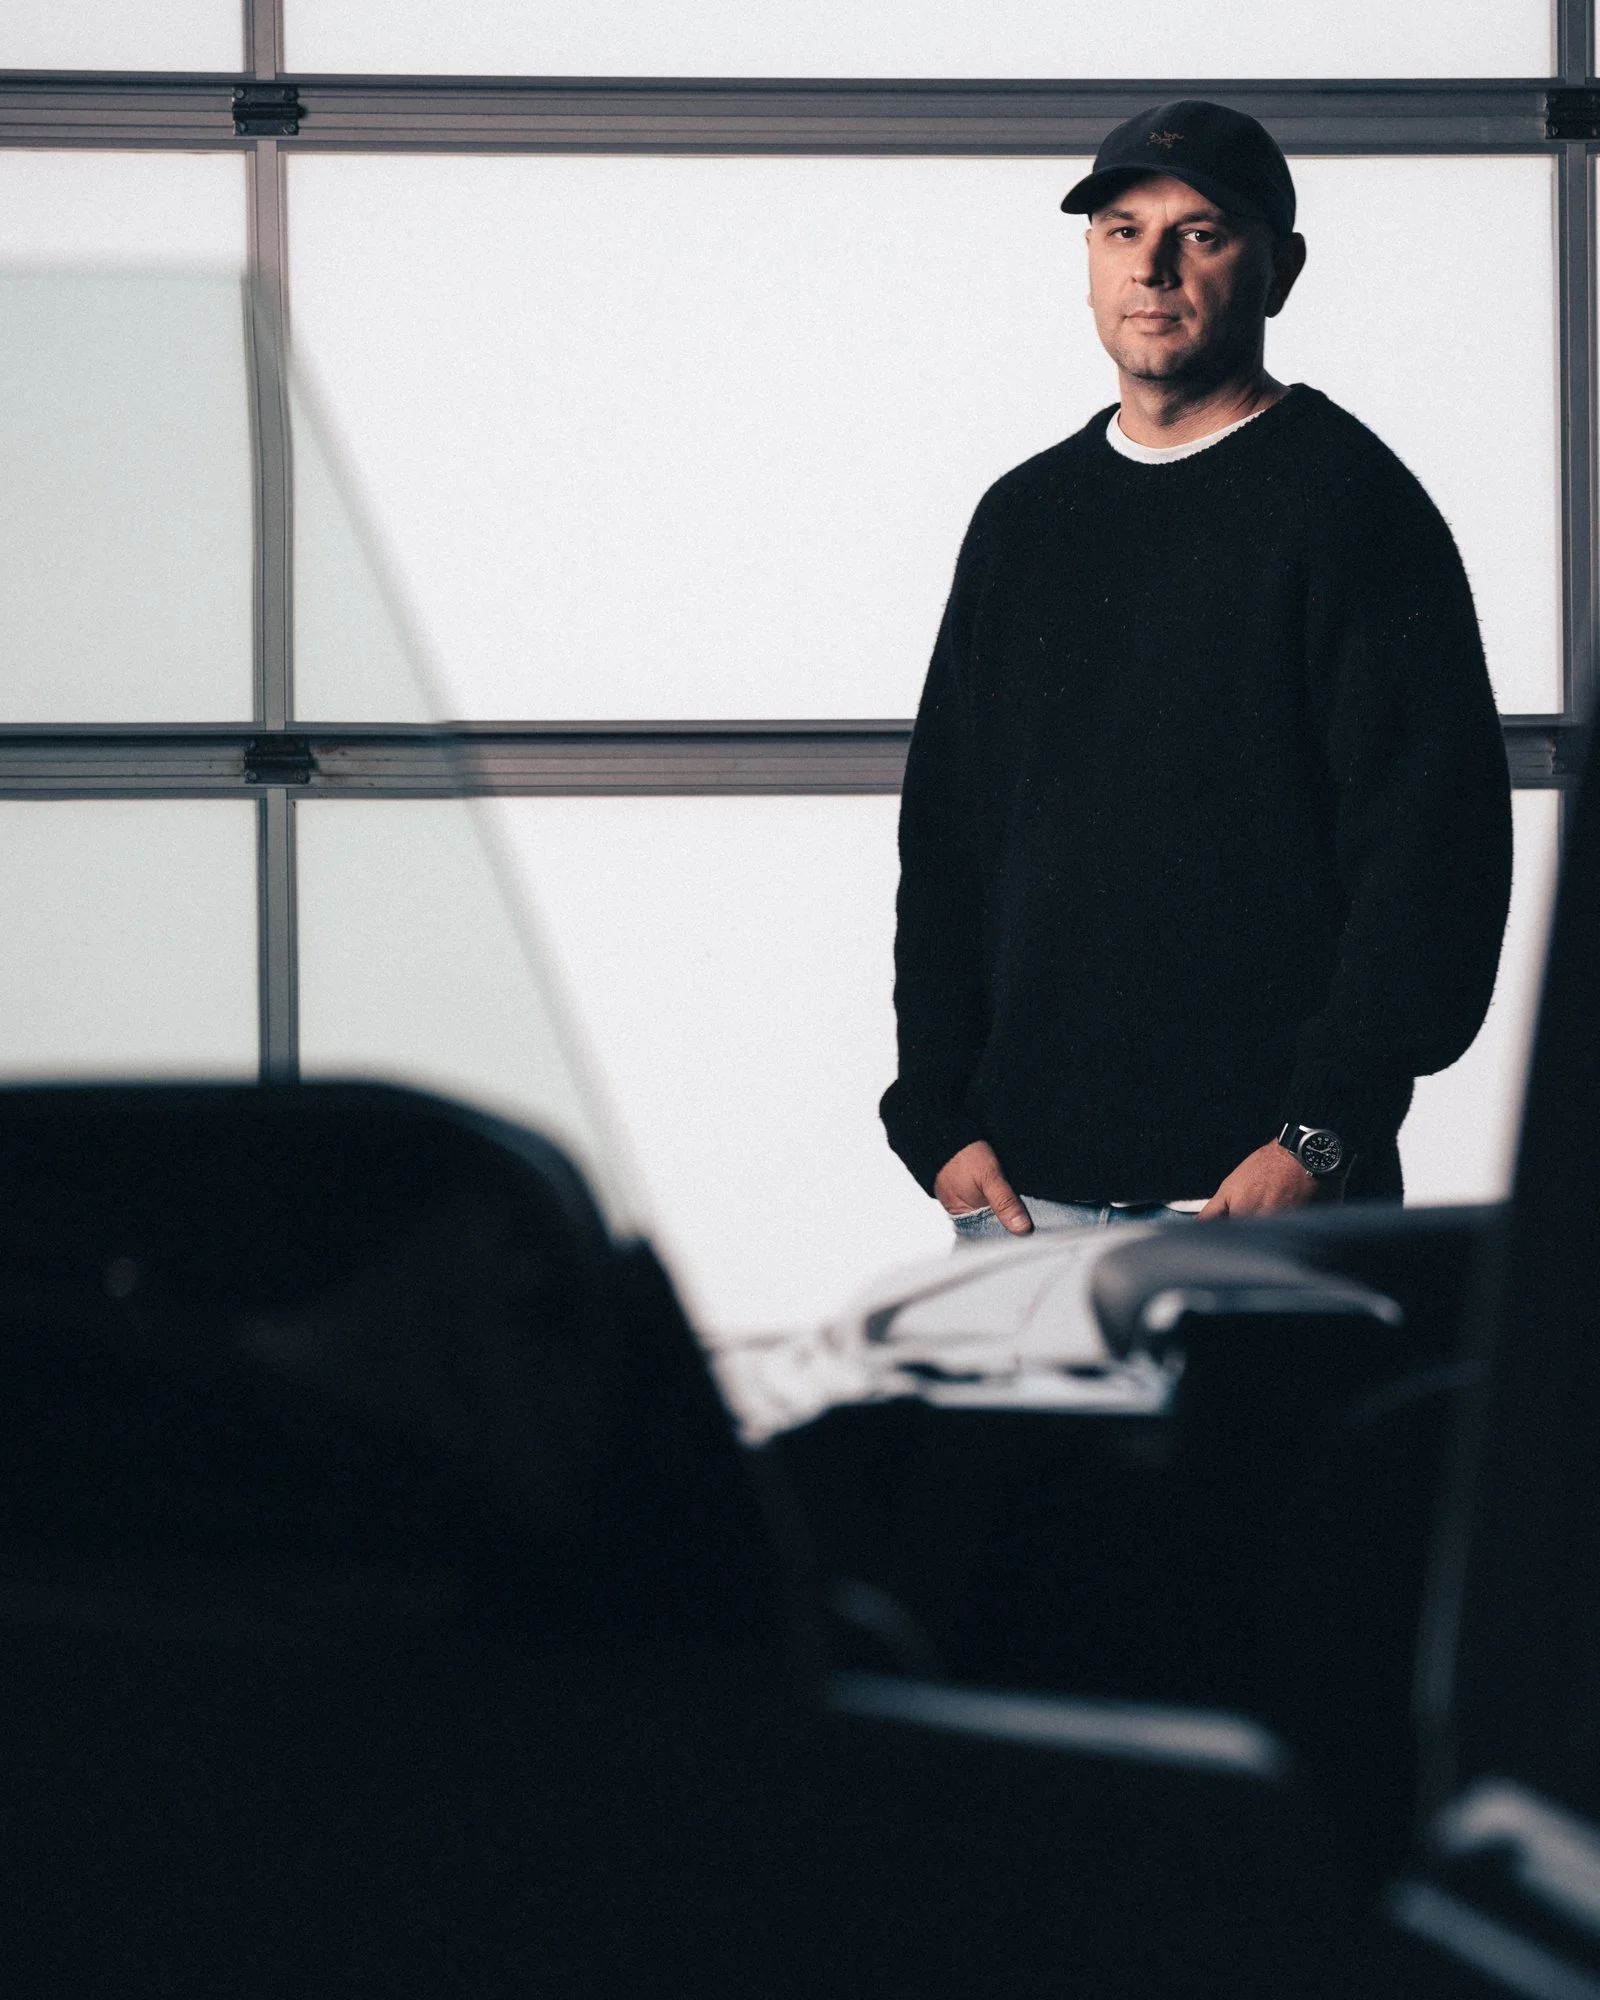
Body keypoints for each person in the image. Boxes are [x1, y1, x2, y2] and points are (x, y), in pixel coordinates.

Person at [879, 99, 1513, 1244]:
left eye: (1202, 233)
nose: (1154, 267)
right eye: (1122, 230)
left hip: (1259, 1190)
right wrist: (932, 1111)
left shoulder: (1350, 507)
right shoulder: (1023, 519)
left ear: (1280, 268)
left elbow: (1433, 851)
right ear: (1087, 262)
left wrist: (1323, 1132)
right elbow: (948, 841)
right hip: (1021, 1201)